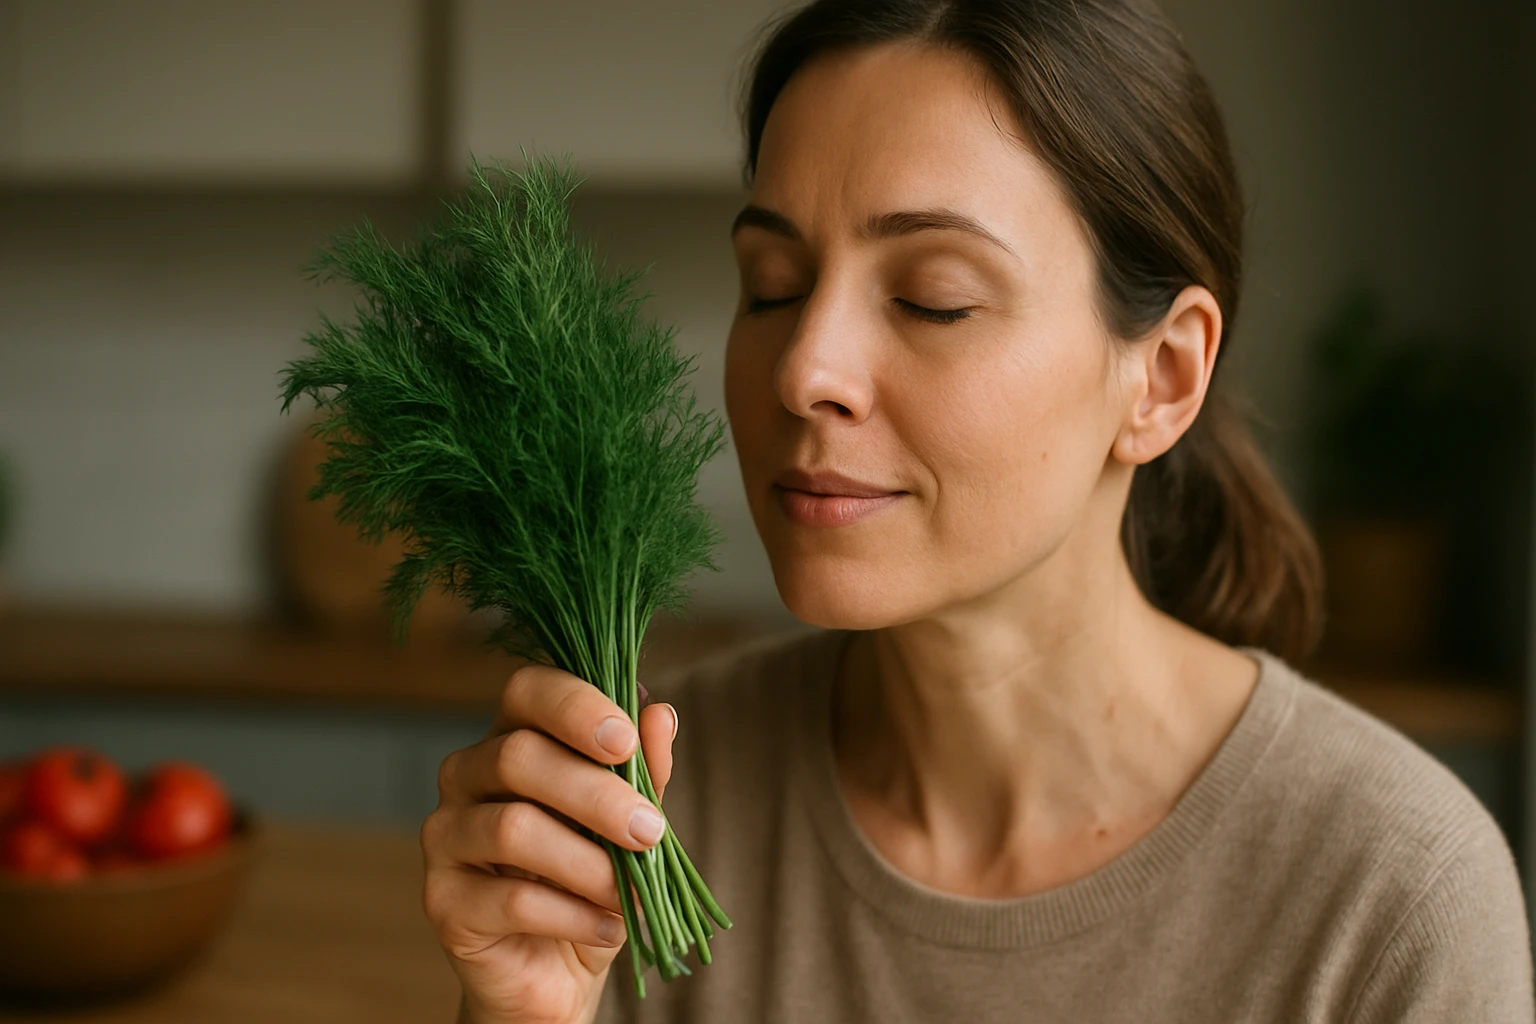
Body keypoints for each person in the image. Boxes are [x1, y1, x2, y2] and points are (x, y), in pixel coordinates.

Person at [419, 0, 1535, 1021]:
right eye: (773, 284)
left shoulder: (1394, 893)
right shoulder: (643, 812)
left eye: (932, 298)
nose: (805, 365)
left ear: (1162, 377)